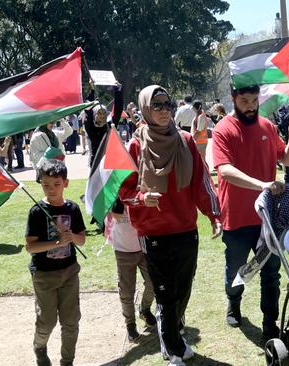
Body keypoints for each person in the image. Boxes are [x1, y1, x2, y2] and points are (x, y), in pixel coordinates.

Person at [118, 85, 222, 366]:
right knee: (165, 292)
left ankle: (174, 337)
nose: (164, 111)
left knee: (183, 289)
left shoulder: (186, 140)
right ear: (145, 110)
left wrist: (214, 215)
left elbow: (202, 181)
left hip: (186, 229)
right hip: (154, 232)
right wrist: (142, 198)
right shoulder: (136, 144)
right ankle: (173, 348)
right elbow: (124, 190)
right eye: (157, 106)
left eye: (167, 105)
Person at [212, 83, 289, 342]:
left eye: (253, 100)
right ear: (233, 99)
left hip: (267, 219)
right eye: (244, 101)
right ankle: (233, 300)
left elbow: (287, 159)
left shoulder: (267, 126)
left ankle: (269, 323)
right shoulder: (223, 129)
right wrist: (262, 184)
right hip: (237, 217)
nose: (250, 106)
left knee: (271, 272)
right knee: (236, 269)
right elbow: (225, 170)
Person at [25, 159, 86, 366]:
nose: (51, 189)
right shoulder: (37, 211)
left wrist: (71, 238)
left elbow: (82, 239)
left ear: (65, 183)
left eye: (56, 184)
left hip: (69, 272)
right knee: (47, 320)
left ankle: (67, 361)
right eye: (45, 185)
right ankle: (39, 346)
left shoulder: (73, 209)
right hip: (44, 275)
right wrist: (56, 242)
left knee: (71, 321)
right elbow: (31, 247)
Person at [105, 199, 156, 343]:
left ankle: (145, 310)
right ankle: (130, 324)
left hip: (144, 248)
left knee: (153, 283)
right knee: (127, 291)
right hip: (123, 252)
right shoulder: (111, 199)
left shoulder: (139, 195)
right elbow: (108, 220)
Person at [83, 82, 123, 167]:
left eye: (104, 113)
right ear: (94, 115)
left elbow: (118, 111)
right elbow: (87, 110)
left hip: (109, 162)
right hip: (96, 163)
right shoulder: (90, 128)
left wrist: (118, 91)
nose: (102, 115)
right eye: (99, 113)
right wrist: (92, 90)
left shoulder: (110, 126)